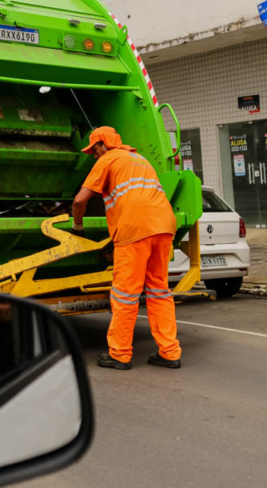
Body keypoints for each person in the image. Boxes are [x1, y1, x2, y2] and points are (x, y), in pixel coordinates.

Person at [70, 126, 182, 370]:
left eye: (94, 150)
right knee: (159, 290)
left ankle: (119, 354)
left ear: (103, 144)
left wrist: (77, 227)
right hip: (163, 226)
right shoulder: (140, 159)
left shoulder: (108, 159)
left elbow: (80, 201)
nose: (94, 156)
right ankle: (170, 353)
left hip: (134, 230)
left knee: (125, 294)